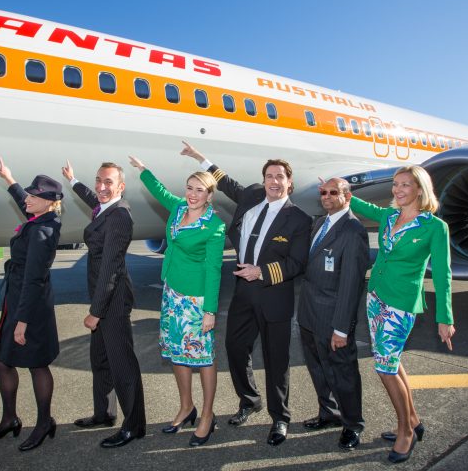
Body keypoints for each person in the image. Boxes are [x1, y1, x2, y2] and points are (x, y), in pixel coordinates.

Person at [181, 141, 310, 446]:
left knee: (276, 359)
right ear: (263, 180)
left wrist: (261, 271)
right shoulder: (252, 197)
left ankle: (280, 417)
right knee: (236, 348)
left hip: (273, 294)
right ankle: (249, 400)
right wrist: (200, 157)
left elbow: (296, 263)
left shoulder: (299, 219)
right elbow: (225, 181)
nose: (274, 182)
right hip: (244, 293)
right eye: (269, 176)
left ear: (289, 182)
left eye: (280, 177)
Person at [348, 165, 455, 464]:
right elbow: (360, 205)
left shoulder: (434, 227)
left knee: (385, 368)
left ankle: (406, 431)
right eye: (396, 184)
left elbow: (443, 274)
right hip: (376, 297)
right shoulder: (389, 216)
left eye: (405, 184)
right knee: (392, 362)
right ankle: (414, 420)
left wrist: (445, 317)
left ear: (420, 189)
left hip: (401, 304)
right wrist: (339, 188)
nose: (398, 189)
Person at [128, 156, 226, 447]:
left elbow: (214, 270)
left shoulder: (214, 226)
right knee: (176, 352)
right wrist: (143, 170)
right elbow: (159, 191)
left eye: (199, 190)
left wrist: (209, 311)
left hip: (196, 300)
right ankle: (186, 407)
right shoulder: (179, 207)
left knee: (203, 357)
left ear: (210, 195)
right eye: (189, 188)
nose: (192, 194)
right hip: (172, 293)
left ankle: (207, 415)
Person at [61, 160, 147, 449]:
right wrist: (73, 180)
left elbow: (111, 267)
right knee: (100, 359)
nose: (101, 186)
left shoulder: (119, 217)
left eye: (108, 182)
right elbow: (93, 197)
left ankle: (134, 426)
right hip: (102, 297)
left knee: (122, 365)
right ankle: (104, 413)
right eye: (98, 180)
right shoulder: (105, 207)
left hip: (112, 301)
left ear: (121, 187)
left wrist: (95, 313)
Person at [0, 158, 63, 451]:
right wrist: (9, 179)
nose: (27, 199)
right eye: (28, 194)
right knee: (1, 359)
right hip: (18, 298)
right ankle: (10, 418)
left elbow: (34, 279)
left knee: (36, 363)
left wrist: (22, 321)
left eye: (33, 196)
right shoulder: (40, 218)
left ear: (48, 202)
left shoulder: (43, 231)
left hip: (29, 305)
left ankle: (44, 422)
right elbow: (25, 201)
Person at [298, 177, 369, 451]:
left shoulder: (352, 230)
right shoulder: (320, 223)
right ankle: (328, 413)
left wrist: (342, 328)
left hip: (332, 319)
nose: (326, 196)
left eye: (333, 192)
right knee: (318, 369)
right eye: (323, 192)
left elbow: (351, 284)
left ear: (347, 197)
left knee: (343, 373)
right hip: (309, 315)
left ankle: (353, 424)